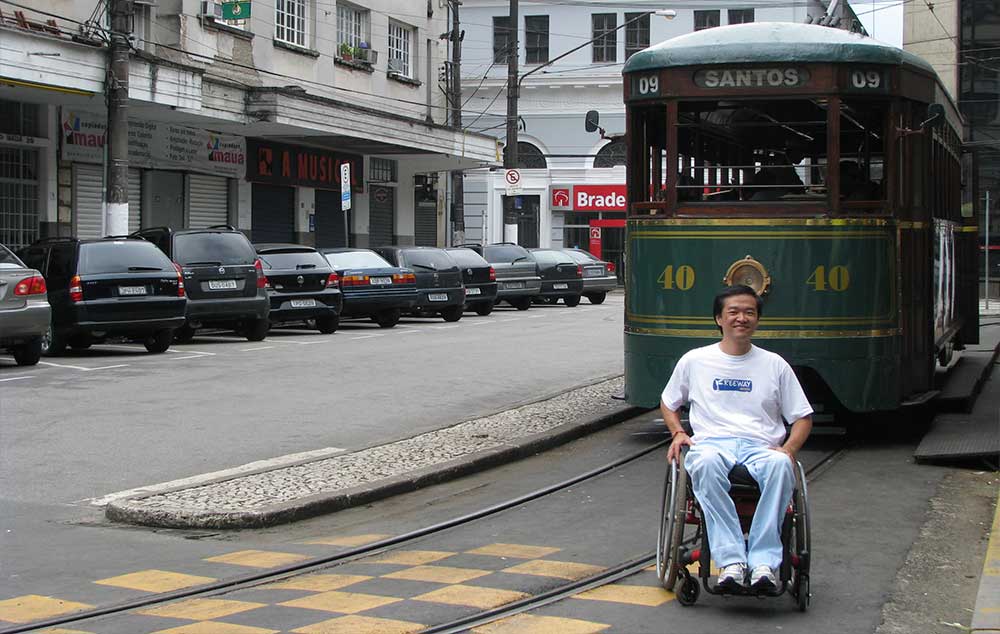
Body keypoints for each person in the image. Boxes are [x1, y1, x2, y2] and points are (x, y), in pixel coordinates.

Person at [660, 285, 813, 592]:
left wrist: (789, 448)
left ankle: (763, 563)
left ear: (757, 319)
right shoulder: (695, 360)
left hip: (760, 446)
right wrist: (678, 432)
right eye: (733, 312)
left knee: (781, 466)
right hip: (713, 444)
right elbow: (669, 402)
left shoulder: (775, 365)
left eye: (749, 312)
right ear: (719, 319)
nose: (741, 318)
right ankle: (731, 560)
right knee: (702, 464)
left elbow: (803, 418)